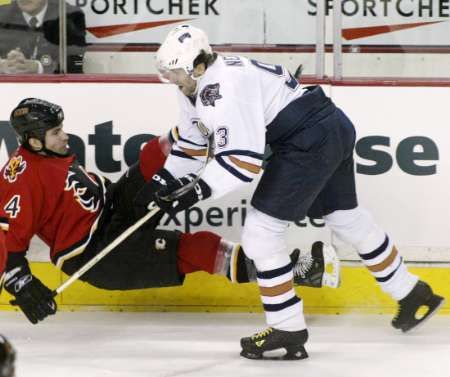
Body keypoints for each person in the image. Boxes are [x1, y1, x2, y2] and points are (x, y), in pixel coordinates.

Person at [139, 24, 445, 360]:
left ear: (198, 65)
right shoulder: (197, 84)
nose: (171, 80)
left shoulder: (223, 87)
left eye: (175, 73)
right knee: (346, 218)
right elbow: (194, 142)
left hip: (308, 141)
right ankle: (412, 292)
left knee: (260, 232)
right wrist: (165, 180)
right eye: (167, 73)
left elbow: (242, 162)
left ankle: (287, 326)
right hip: (331, 125)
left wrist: (194, 193)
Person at [0, 98, 339, 325]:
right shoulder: (20, 178)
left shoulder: (46, 154)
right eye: (56, 133)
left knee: (152, 155)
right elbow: (8, 239)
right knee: (201, 248)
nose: (65, 137)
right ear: (33, 141)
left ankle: (206, 124)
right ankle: (296, 270)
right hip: (98, 253)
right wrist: (21, 283)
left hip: (112, 207)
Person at [0, 0, 86, 74]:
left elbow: (74, 63)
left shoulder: (70, 15)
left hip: (54, 88)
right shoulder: (2, 13)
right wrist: (2, 65)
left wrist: (37, 67)